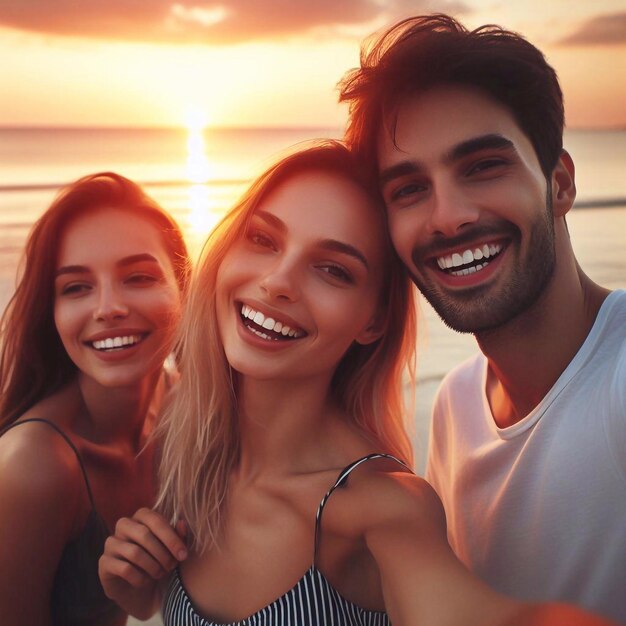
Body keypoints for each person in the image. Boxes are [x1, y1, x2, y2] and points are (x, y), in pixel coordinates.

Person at [98, 142, 611, 625]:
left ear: (373, 321)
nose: (278, 282)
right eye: (262, 239)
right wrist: (136, 587)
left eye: (333, 270)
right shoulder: (180, 447)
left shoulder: (379, 509)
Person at [338, 14, 626, 623]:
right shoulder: (457, 401)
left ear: (561, 183)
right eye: (409, 189)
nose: (449, 218)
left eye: (482, 166)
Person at [0, 172, 189, 626]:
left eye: (139, 277)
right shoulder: (34, 468)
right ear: (53, 313)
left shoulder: (181, 405)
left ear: (183, 287)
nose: (108, 308)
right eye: (76, 287)